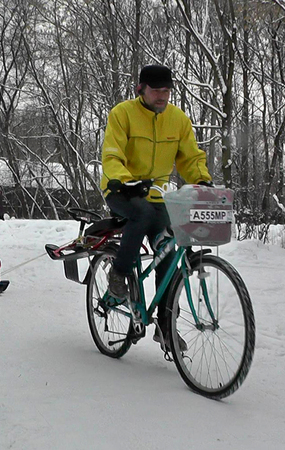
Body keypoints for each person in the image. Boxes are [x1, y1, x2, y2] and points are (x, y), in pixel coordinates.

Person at [100, 64, 213, 349]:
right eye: (156, 91)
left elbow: (190, 157)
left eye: (166, 91)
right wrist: (123, 181)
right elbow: (112, 154)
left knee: (168, 246)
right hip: (120, 190)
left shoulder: (178, 120)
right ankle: (119, 272)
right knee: (142, 214)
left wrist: (201, 180)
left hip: (155, 193)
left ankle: (165, 325)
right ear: (140, 89)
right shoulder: (123, 114)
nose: (162, 96)